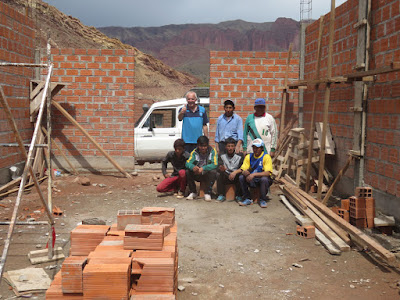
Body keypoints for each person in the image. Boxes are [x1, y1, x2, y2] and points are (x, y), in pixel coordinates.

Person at [238, 138, 273, 208]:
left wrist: (253, 174)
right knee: (241, 177)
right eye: (254, 147)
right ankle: (247, 198)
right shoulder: (249, 156)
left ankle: (263, 199)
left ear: (262, 148)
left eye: (258, 148)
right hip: (252, 179)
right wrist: (246, 173)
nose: (255, 149)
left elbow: (268, 172)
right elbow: (243, 169)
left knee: (264, 179)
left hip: (261, 179)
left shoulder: (266, 157)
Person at [185, 136, 217, 201]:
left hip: (207, 173)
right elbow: (187, 163)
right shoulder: (194, 152)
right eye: (201, 146)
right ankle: (193, 192)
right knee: (187, 171)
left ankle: (208, 193)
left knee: (214, 172)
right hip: (197, 173)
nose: (203, 148)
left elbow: (215, 164)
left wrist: (203, 168)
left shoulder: (212, 151)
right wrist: (193, 167)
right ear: (198, 145)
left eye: (205, 146)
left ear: (207, 145)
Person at [216, 137, 244, 202]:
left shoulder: (240, 155)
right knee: (218, 174)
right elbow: (218, 166)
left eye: (232, 146)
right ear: (225, 147)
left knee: (241, 176)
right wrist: (221, 169)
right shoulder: (221, 155)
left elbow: (242, 168)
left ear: (234, 147)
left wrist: (235, 172)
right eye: (228, 146)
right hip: (226, 175)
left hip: (236, 175)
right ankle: (221, 194)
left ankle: (239, 195)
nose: (230, 148)